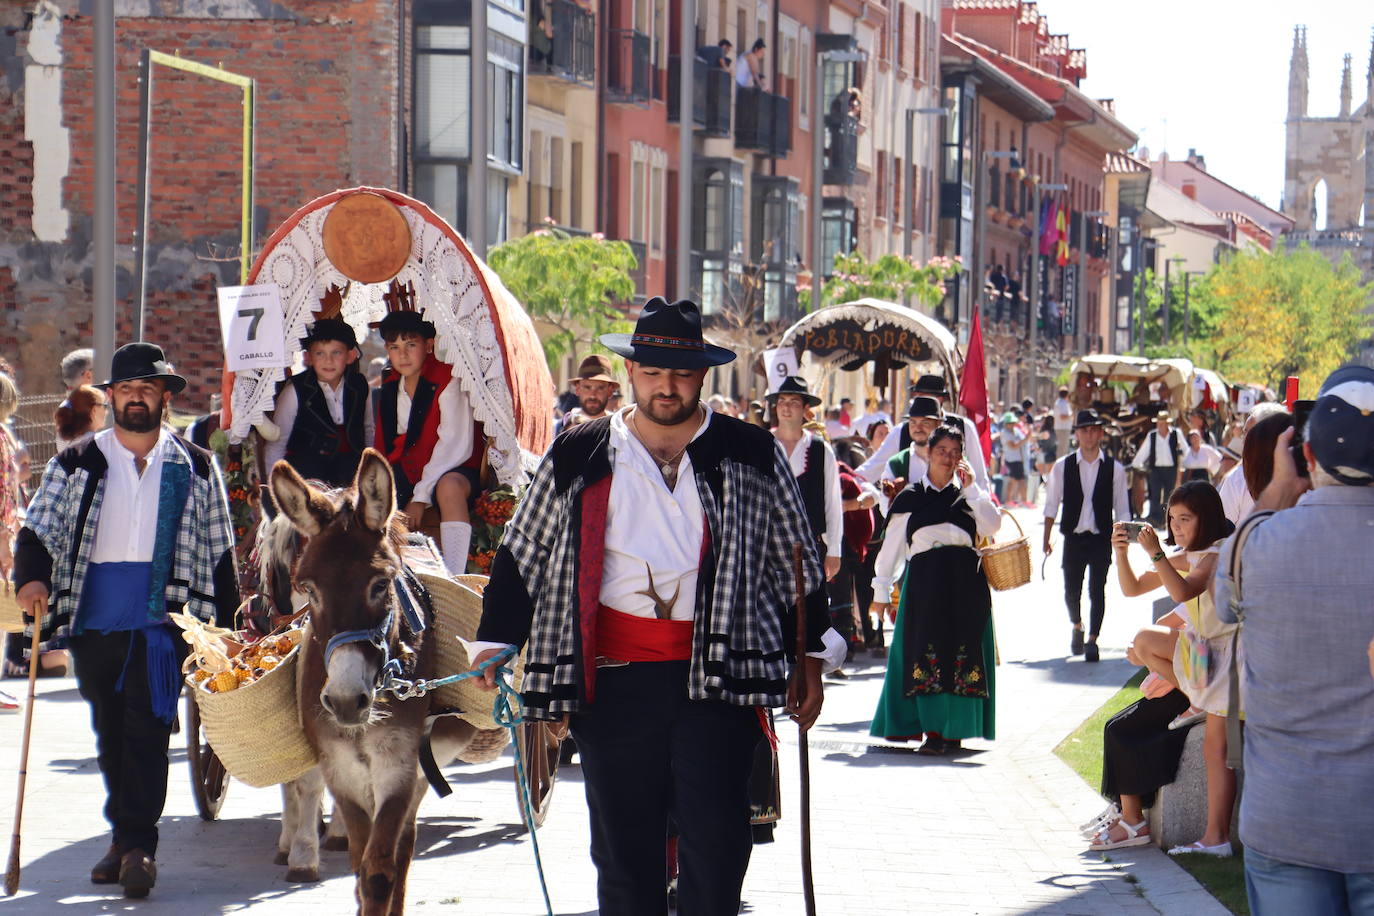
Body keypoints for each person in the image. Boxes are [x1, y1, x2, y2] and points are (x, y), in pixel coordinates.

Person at [467, 297, 839, 915]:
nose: (667, 386)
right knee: (623, 860)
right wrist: (494, 638)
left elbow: (793, 557)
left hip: (719, 682)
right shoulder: (579, 451)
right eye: (654, 371)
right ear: (632, 374)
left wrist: (811, 654)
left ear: (702, 376)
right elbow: (521, 551)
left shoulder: (750, 452)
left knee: (718, 856)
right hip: (614, 688)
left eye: (683, 373)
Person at [12, 342, 238, 898]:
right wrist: (31, 579)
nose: (137, 397)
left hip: (164, 621)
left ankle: (139, 845)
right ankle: (123, 836)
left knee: (149, 729)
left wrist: (229, 626)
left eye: (148, 389)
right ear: (110, 397)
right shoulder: (77, 461)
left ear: (165, 398)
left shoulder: (196, 465)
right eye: (127, 389)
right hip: (94, 615)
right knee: (110, 732)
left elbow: (221, 550)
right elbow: (35, 530)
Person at [1215, 365, 1374, 913]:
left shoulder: (1257, 544)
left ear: (1305, 455)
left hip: (1286, 814)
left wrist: (1278, 489)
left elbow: (1223, 603)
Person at [1093, 482, 1235, 854]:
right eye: (1171, 519)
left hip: (1225, 659)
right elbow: (1133, 588)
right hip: (1210, 659)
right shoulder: (1196, 553)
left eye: (1184, 519)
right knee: (1216, 753)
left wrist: (1157, 553)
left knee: (1218, 753)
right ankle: (1215, 840)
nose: (1176, 528)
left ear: (1207, 518)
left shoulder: (1217, 554)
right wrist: (1120, 553)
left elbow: (1183, 593)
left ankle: (1216, 839)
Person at [870, 426, 1000, 754]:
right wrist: (881, 591)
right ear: (928, 453)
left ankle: (955, 731)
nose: (948, 457)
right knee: (925, 653)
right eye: (942, 450)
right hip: (925, 585)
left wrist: (972, 490)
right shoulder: (911, 498)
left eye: (955, 452)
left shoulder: (970, 496)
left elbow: (992, 525)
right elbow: (892, 548)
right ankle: (932, 732)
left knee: (961, 653)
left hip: (965, 586)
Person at [372, 305, 480, 575]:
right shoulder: (389, 386)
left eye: (411, 345)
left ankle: (456, 575)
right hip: (408, 468)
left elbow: (454, 444)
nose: (403, 354)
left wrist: (420, 496)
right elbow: (384, 443)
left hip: (453, 465)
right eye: (394, 347)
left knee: (449, 488)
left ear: (429, 345)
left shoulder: (447, 379)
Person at [1042, 409, 1130, 662]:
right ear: (1077, 434)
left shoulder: (1115, 469)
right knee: (1071, 589)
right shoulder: (1063, 466)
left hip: (1101, 537)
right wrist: (1046, 537)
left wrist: (1123, 541)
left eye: (1094, 430)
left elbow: (1122, 508)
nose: (1089, 435)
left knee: (1097, 589)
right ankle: (1077, 625)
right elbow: (1051, 504)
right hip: (1074, 536)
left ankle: (1093, 638)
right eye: (1084, 430)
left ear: (1101, 433)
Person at [261, 312, 373, 487]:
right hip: (308, 482)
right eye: (320, 353)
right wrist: (272, 489)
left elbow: (368, 431)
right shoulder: (295, 391)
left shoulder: (359, 386)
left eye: (336, 352)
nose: (328, 361)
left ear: (350, 356)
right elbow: (278, 443)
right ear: (308, 358)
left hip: (351, 480)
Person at [767, 376, 843, 583]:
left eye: (793, 402)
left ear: (805, 409)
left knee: (809, 613)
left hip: (810, 547)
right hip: (768, 549)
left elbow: (832, 503)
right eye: (782, 401)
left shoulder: (820, 450)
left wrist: (834, 550)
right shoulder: (762, 444)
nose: (786, 407)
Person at [908, 374, 990, 490]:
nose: (919, 401)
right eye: (917, 396)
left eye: (924, 396)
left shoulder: (964, 426)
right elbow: (876, 466)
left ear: (940, 399)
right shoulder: (901, 430)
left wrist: (982, 502)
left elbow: (979, 474)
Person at [1218, 407, 1291, 524]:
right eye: (1244, 433)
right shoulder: (1237, 480)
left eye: (1249, 433)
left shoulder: (1298, 478)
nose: (1244, 441)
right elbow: (1221, 531)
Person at [1132, 414, 1182, 527]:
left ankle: (1166, 518)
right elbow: (1144, 451)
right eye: (1158, 423)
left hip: (1171, 469)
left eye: (1162, 423)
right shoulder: (1152, 435)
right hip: (1155, 469)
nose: (1159, 426)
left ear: (1167, 424)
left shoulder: (1175, 434)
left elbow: (1184, 449)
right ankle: (1154, 517)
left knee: (1169, 494)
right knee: (1154, 493)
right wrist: (1135, 463)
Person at [557, 353, 621, 434]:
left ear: (610, 391)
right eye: (587, 388)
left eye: (600, 388)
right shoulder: (562, 427)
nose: (593, 395)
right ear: (577, 389)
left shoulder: (618, 429)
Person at [54, 384, 108, 453]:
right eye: (104, 406)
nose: (106, 412)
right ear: (94, 410)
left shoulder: (63, 443)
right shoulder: (101, 446)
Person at [1053, 385, 1074, 458]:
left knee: (1063, 448)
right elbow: (1062, 416)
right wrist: (1071, 415)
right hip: (1063, 428)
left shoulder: (1062, 402)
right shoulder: (1062, 403)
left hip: (1062, 428)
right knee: (1062, 449)